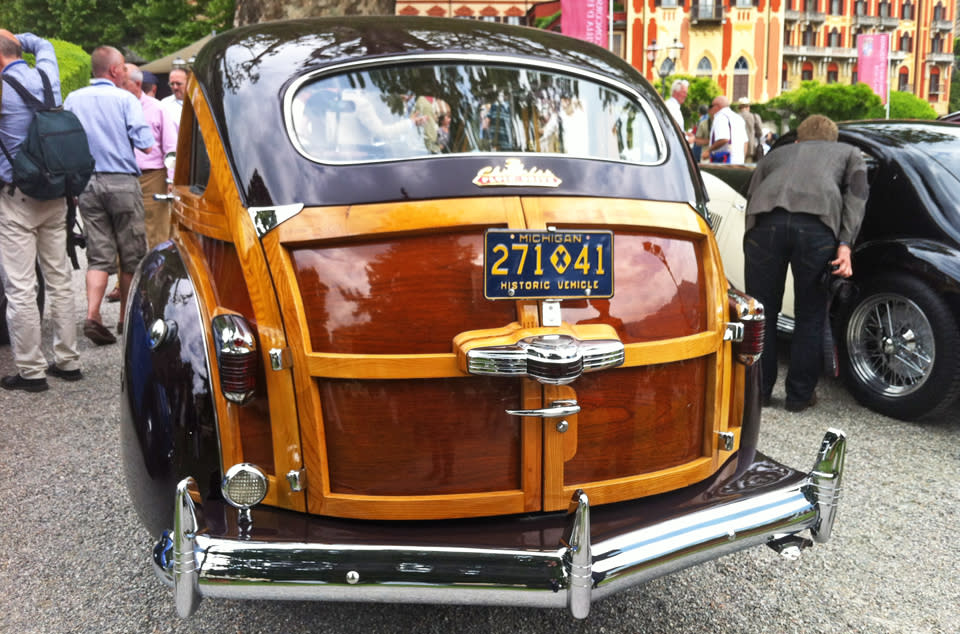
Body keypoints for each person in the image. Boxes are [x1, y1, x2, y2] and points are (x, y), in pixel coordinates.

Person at [743, 114, 868, 412]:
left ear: (799, 139)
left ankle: (759, 393)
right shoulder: (849, 153)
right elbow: (857, 196)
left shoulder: (778, 153)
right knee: (810, 315)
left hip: (765, 225)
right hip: (817, 228)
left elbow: (752, 193)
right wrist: (845, 244)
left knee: (761, 312)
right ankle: (799, 397)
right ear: (832, 142)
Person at [0, 30, 82, 392]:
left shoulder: (3, 88)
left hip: (17, 197)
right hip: (57, 193)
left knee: (20, 286)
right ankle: (67, 361)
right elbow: (45, 45)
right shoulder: (48, 74)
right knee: (60, 278)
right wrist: (17, 38)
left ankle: (31, 370)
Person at [64, 46, 154, 345]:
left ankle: (92, 315)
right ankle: (125, 318)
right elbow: (145, 144)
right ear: (115, 71)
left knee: (99, 254)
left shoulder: (73, 99)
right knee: (131, 254)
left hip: (87, 184)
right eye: (124, 69)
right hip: (122, 183)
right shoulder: (125, 99)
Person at [124, 63, 177, 249]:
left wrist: (171, 179)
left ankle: (160, 276)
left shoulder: (157, 108)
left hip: (152, 176)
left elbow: (171, 145)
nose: (119, 87)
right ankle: (126, 278)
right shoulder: (116, 104)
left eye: (123, 83)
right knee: (125, 232)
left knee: (157, 232)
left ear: (137, 84)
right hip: (122, 176)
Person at [707, 95, 748, 165]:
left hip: (724, 162)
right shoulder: (738, 118)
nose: (710, 109)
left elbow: (724, 139)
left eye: (711, 106)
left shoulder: (720, 117)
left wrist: (708, 151)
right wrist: (742, 158)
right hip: (739, 162)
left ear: (717, 106)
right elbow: (746, 142)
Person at [736, 97, 764, 163]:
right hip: (750, 148)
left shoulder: (734, 117)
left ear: (739, 107)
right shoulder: (754, 116)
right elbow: (760, 133)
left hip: (737, 148)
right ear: (748, 106)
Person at [160, 67, 187, 132]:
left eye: (178, 84)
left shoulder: (200, 103)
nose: (175, 87)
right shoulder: (164, 104)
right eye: (172, 84)